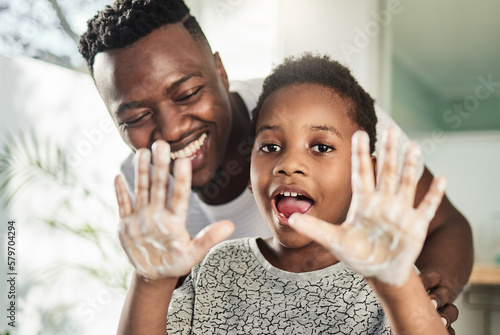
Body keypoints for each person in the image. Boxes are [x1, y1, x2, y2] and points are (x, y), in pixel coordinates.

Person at [79, 0, 471, 330]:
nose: (171, 129)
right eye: (134, 118)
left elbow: (446, 225)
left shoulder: (320, 105)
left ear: (220, 70)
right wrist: (149, 282)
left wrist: (421, 297)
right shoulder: (144, 187)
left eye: (186, 93)